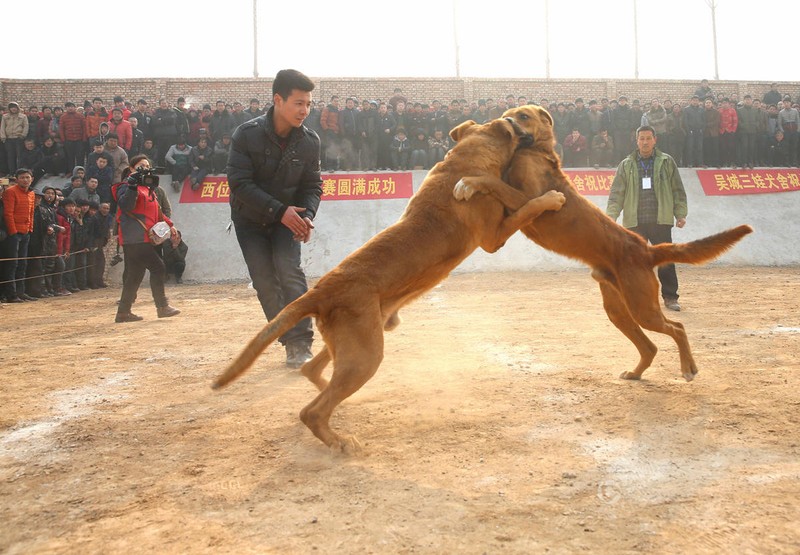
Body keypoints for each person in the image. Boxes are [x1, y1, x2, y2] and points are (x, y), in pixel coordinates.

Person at [227, 69, 322, 368]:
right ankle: (289, 342)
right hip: (250, 221)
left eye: (308, 104)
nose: (304, 111)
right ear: (278, 100)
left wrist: (305, 216)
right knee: (265, 283)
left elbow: (313, 185)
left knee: (289, 272)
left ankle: (302, 344)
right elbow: (239, 184)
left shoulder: (309, 141)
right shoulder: (246, 134)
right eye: (298, 103)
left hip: (288, 220)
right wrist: (281, 212)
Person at [606, 126, 687, 312]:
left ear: (655, 140)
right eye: (641, 138)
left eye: (648, 138)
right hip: (635, 221)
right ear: (636, 141)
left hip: (660, 220)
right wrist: (611, 216)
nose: (645, 142)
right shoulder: (626, 165)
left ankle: (670, 297)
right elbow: (616, 194)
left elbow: (678, 190)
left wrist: (680, 213)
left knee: (666, 259)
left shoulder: (667, 162)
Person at [112, 154, 180, 322]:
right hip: (134, 238)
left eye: (147, 166)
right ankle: (162, 306)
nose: (145, 169)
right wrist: (132, 186)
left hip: (141, 238)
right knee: (158, 268)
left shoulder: (149, 189)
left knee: (134, 275)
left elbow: (158, 212)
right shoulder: (125, 185)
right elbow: (125, 205)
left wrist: (171, 226)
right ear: (131, 168)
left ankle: (123, 312)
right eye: (141, 166)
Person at [2, 169, 37, 302]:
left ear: (32, 179)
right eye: (22, 177)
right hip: (14, 233)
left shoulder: (31, 194)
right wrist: (13, 232)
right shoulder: (10, 192)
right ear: (17, 179)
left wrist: (30, 229)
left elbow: (31, 213)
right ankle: (11, 294)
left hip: (26, 232)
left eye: (27, 177)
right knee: (12, 264)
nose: (25, 180)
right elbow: (8, 214)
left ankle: (20, 292)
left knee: (22, 263)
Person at [1, 103, 29, 175]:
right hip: (8, 139)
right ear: (9, 108)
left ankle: (19, 172)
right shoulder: (5, 116)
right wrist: (3, 137)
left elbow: (26, 126)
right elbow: (2, 127)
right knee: (10, 156)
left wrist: (23, 135)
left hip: (18, 138)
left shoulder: (23, 116)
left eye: (15, 107)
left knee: (19, 156)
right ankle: (11, 172)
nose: (13, 109)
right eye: (12, 107)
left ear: (18, 108)